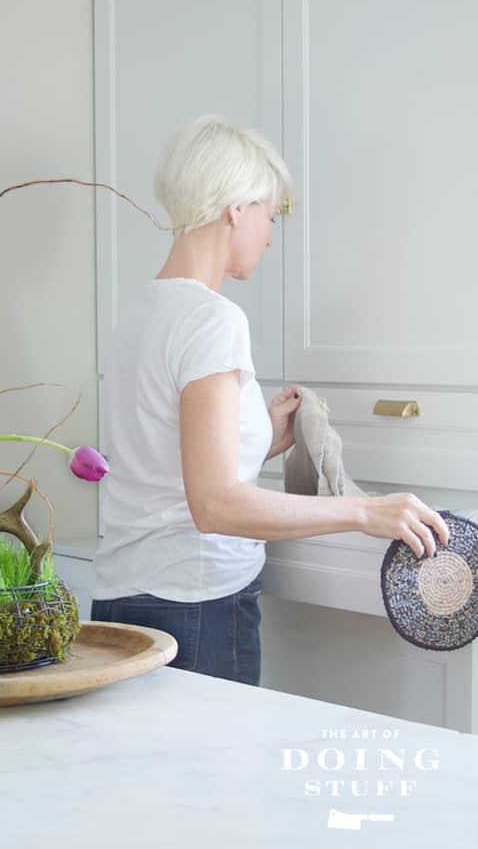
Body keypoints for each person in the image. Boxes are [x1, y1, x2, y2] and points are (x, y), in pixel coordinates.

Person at [90, 113, 450, 687]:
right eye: (269, 212)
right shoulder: (213, 321)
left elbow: (167, 463)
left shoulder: (138, 315)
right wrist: (365, 511)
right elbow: (214, 505)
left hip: (123, 604)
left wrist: (262, 436)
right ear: (236, 206)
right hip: (197, 609)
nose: (270, 234)